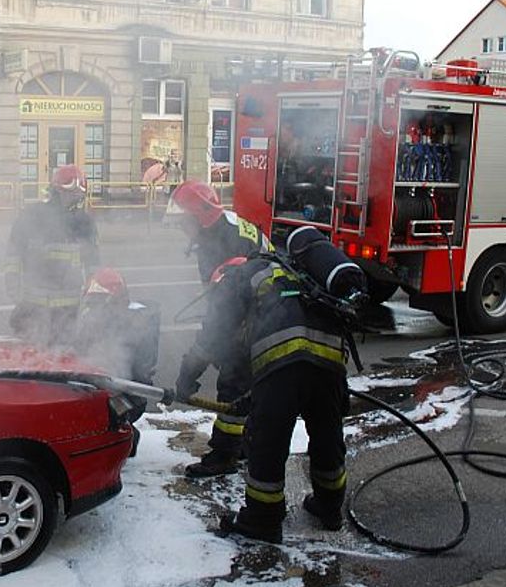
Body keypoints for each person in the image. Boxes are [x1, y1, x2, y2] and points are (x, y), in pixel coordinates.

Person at [211, 252, 364, 545]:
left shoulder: (241, 278)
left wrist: (189, 374)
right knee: (327, 436)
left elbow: (221, 341)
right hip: (330, 361)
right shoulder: (298, 271)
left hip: (283, 362)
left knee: (268, 441)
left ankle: (262, 520)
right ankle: (330, 508)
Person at [165, 179, 274, 478]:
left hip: (257, 316)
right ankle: (247, 443)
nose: (181, 227)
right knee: (246, 384)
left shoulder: (224, 242)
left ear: (200, 214)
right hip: (255, 310)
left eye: (184, 220)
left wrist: (191, 368)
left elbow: (222, 317)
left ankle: (224, 455)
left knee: (233, 384)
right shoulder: (219, 230)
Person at [4, 164, 100, 348]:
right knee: (29, 354)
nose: (74, 198)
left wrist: (93, 299)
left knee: (61, 354)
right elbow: (14, 252)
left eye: (78, 194)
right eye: (70, 193)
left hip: (67, 309)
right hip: (33, 305)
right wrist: (12, 282)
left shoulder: (84, 224)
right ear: (57, 192)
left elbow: (93, 264)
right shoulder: (32, 216)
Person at [73, 268, 160, 387]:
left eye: (97, 303)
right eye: (91, 303)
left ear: (116, 302)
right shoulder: (91, 320)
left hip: (126, 389)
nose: (92, 310)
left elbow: (140, 373)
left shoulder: (136, 324)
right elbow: (80, 351)